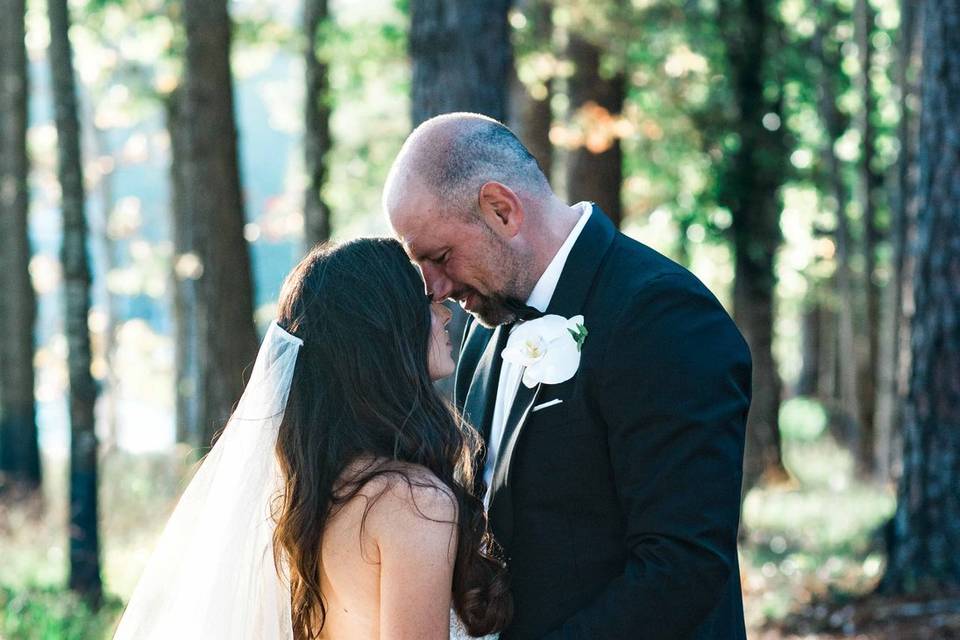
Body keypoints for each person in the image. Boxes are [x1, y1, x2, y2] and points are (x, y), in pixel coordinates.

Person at [385, 112, 752, 639]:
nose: (435, 288)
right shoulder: (483, 331)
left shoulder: (662, 315)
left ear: (501, 209)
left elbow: (682, 566)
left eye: (440, 257)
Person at [113, 238, 511, 640]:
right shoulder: (415, 503)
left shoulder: (317, 493)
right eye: (423, 303)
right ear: (385, 330)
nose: (443, 313)